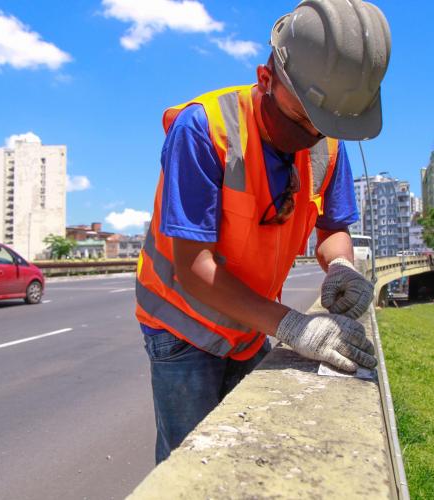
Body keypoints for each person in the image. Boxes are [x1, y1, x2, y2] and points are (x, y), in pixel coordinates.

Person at [135, 0, 391, 464]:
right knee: (190, 463)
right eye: (300, 120)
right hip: (182, 324)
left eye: (323, 126)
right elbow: (194, 270)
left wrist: (340, 265)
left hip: (249, 323)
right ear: (266, 79)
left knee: (250, 453)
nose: (312, 134)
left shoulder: (326, 139)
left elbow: (332, 227)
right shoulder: (204, 128)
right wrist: (294, 326)